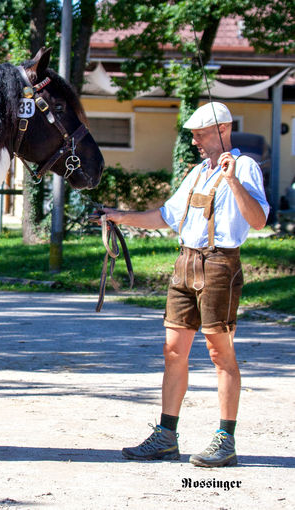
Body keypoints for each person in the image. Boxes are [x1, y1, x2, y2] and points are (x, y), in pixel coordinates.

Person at [102, 102, 269, 467]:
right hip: (185, 262)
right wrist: (119, 216)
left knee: (219, 353)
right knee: (173, 350)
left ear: (223, 129)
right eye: (193, 133)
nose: (194, 140)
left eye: (201, 133)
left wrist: (232, 181)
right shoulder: (196, 172)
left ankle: (226, 439)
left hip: (220, 264)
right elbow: (166, 216)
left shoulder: (244, 167)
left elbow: (257, 220)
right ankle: (166, 436)